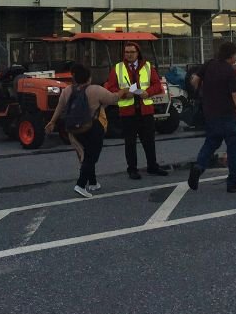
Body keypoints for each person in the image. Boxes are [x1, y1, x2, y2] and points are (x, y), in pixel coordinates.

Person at [46, 63, 128, 198]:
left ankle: (93, 182)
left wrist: (52, 121)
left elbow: (60, 106)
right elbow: (113, 99)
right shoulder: (95, 90)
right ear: (89, 78)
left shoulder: (67, 90)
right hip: (92, 127)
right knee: (91, 156)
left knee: (85, 154)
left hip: (73, 129)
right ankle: (81, 184)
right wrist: (123, 91)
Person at [187, 42, 236, 193]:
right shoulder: (231, 72)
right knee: (235, 146)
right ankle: (234, 182)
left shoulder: (209, 64)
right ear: (231, 55)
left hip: (210, 113)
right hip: (227, 115)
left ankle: (199, 166)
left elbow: (194, 79)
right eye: (235, 54)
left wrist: (202, 93)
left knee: (211, 143)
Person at [105, 41, 169, 180]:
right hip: (128, 112)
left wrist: (148, 92)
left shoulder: (147, 66)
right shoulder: (117, 68)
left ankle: (153, 166)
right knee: (130, 142)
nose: (129, 54)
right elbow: (110, 87)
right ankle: (132, 169)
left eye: (132, 52)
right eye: (127, 52)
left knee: (149, 141)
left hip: (145, 110)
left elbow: (157, 85)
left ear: (137, 53)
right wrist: (122, 92)